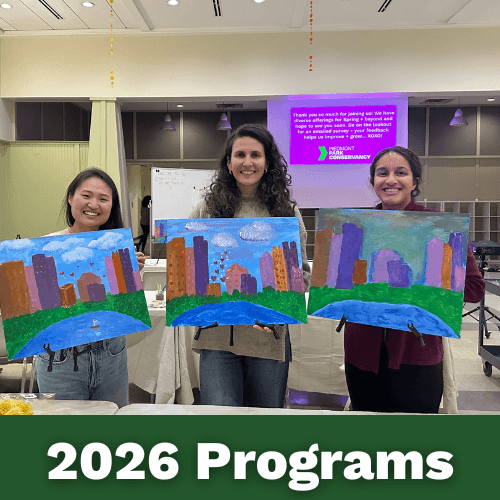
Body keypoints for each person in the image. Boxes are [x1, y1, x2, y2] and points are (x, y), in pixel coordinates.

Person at [344, 146, 485, 414]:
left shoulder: (439, 227)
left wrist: (423, 279)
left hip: (417, 353)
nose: (390, 180)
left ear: (414, 182)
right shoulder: (355, 226)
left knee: (415, 434)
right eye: (382, 173)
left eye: (401, 172)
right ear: (373, 181)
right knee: (365, 432)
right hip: (361, 354)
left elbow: (474, 288)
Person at [189, 124, 311, 407]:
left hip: (268, 335)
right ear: (228, 163)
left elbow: (302, 276)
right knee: (220, 420)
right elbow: (191, 269)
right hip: (217, 336)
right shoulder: (206, 210)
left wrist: (277, 305)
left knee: (264, 421)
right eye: (240, 155)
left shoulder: (286, 212)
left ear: (267, 163)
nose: (247, 162)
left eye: (255, 155)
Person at [36, 167, 147, 408]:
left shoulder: (118, 250)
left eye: (103, 199)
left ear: (111, 206)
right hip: (61, 356)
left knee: (112, 423)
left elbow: (118, 308)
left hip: (111, 353)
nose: (93, 204)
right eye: (86, 195)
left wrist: (130, 274)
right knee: (63, 425)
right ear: (70, 198)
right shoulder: (44, 248)